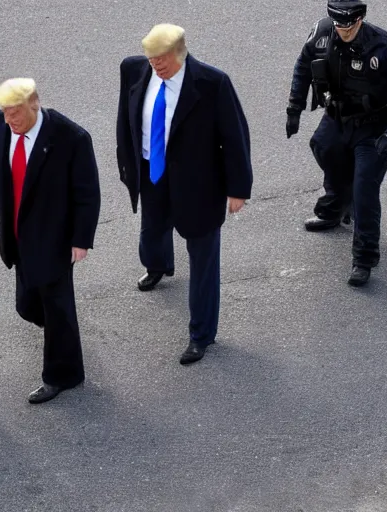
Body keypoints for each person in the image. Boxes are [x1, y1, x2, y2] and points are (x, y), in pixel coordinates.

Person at [116, 24, 253, 364]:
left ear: (180, 54)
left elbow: (235, 137)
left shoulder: (212, 84)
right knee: (152, 229)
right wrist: (127, 166)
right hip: (153, 173)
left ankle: (202, 335)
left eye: (161, 60)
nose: (154, 65)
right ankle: (158, 264)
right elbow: (125, 119)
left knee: (204, 261)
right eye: (151, 59)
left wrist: (238, 189)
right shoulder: (133, 69)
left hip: (199, 186)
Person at [0, 78, 101, 403]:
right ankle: (62, 331)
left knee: (55, 306)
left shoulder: (71, 138)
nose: (8, 121)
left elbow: (87, 194)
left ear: (35, 103)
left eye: (15, 114)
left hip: (53, 240)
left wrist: (81, 240)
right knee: (27, 305)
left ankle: (63, 375)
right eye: (5, 113)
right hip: (15, 236)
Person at [286, 0, 387, 286]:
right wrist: (293, 109)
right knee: (323, 148)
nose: (343, 31)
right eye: (339, 26)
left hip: (373, 127)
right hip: (338, 118)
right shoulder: (322, 34)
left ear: (360, 20)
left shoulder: (385, 47)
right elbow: (303, 66)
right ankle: (335, 208)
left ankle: (364, 258)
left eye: (349, 26)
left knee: (365, 192)